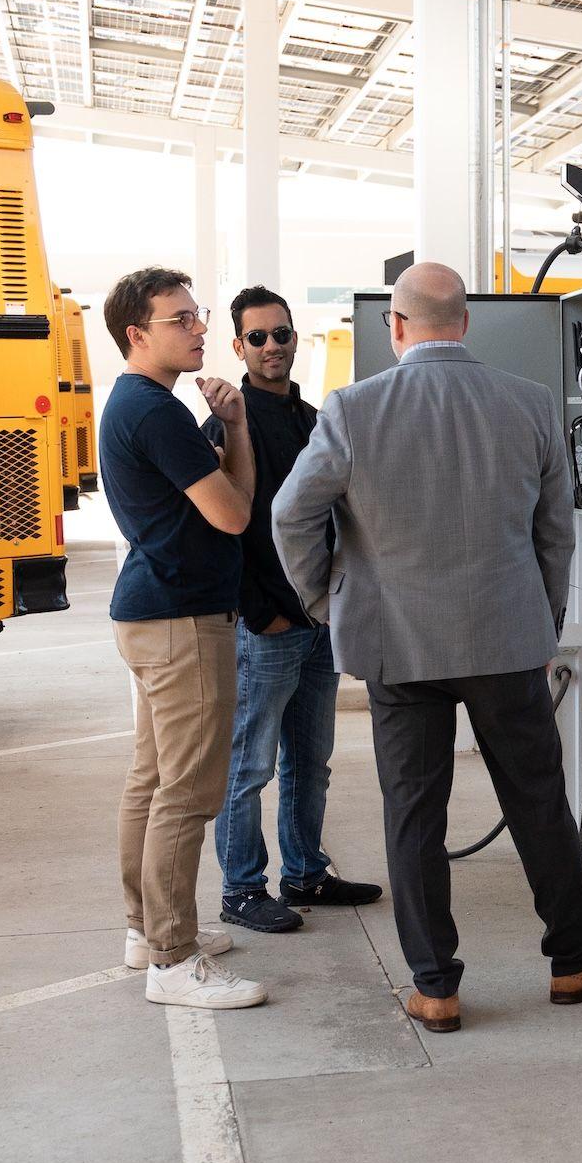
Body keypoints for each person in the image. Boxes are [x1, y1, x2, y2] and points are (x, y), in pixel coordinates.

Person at [270, 262, 582, 1032]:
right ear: (464, 323)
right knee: (538, 800)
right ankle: (574, 963)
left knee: (413, 813)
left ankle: (435, 986)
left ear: (395, 326)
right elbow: (555, 533)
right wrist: (542, 619)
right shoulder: (530, 404)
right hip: (506, 636)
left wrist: (323, 600)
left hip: (395, 643)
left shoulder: (350, 409)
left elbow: (289, 516)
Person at [95, 267, 268, 1011]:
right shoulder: (156, 412)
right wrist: (230, 436)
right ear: (137, 334)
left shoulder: (140, 404)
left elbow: (236, 500)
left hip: (151, 612)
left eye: (197, 316)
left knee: (152, 779)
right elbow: (234, 515)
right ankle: (172, 956)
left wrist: (233, 426)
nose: (199, 329)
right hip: (181, 620)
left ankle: (145, 931)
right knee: (189, 793)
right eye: (182, 320)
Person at [211, 287, 382, 934]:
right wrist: (263, 613)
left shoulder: (314, 419)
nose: (272, 346)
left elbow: (336, 518)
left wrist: (331, 607)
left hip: (317, 626)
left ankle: (306, 872)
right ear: (239, 347)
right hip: (268, 629)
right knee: (250, 765)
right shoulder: (229, 423)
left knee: (310, 764)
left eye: (281, 334)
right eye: (257, 338)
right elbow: (230, 528)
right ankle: (241, 889)